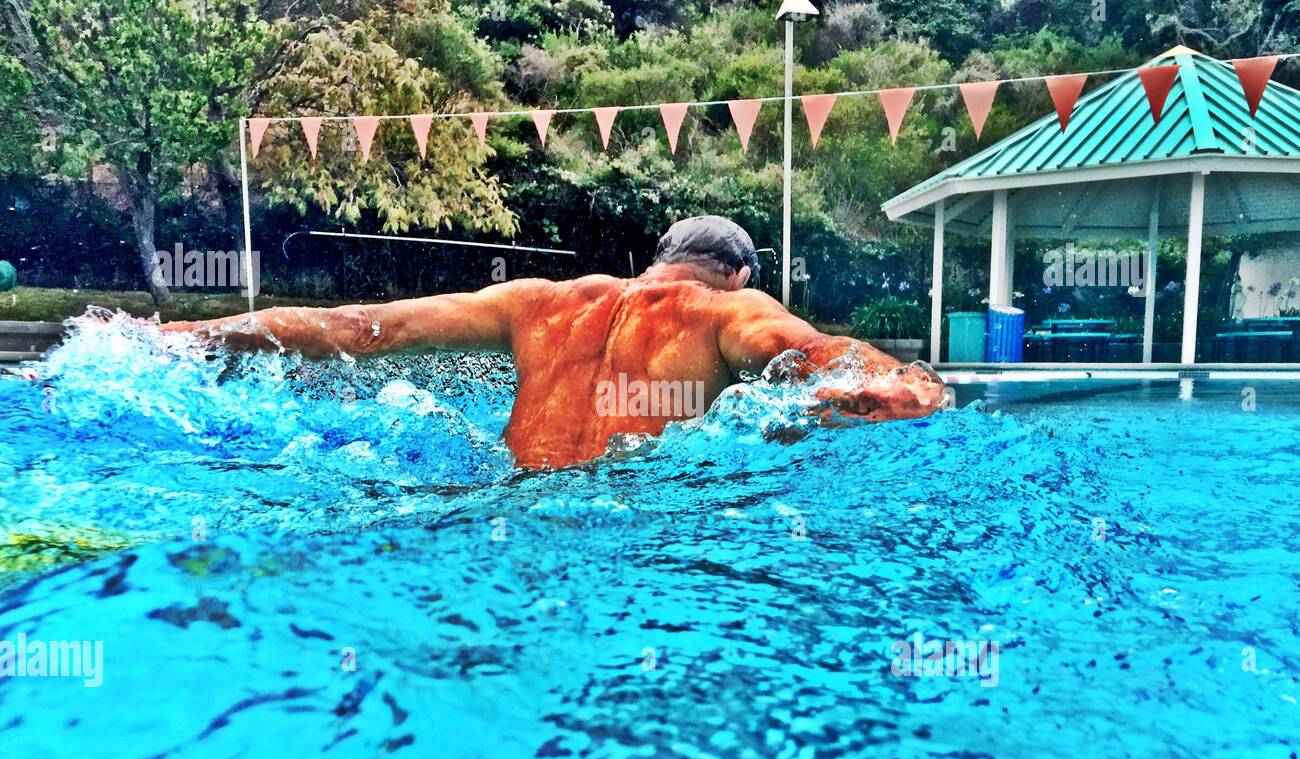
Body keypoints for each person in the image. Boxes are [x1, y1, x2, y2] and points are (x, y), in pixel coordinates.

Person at [162, 216, 946, 468]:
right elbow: (815, 352)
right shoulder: (727, 311)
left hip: (505, 497)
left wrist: (201, 332)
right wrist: (906, 383)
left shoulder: (538, 300)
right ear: (735, 273)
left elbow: (362, 328)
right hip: (633, 523)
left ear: (657, 259)